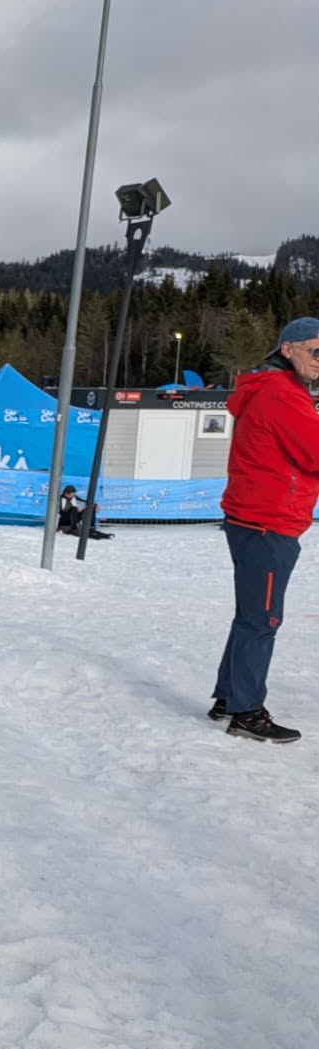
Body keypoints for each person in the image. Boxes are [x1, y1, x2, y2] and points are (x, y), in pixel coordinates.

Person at [211, 316, 319, 743]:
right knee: (262, 619)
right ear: (287, 350)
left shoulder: (277, 391)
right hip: (266, 523)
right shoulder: (281, 394)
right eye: (315, 350)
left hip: (256, 519)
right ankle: (245, 711)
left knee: (250, 616)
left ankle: (229, 697)